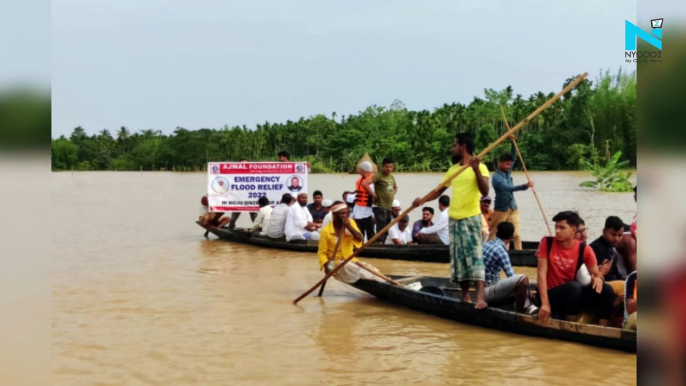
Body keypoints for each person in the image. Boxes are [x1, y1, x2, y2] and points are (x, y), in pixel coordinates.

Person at [412, 132, 490, 309]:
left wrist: (476, 169)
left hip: (470, 217)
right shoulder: (453, 170)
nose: (452, 148)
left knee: (475, 258)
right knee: (459, 259)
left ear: (463, 146)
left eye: (454, 145)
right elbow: (439, 191)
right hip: (454, 219)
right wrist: (421, 200)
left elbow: (485, 191)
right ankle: (465, 296)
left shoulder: (481, 167)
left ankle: (480, 298)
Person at [536, 211, 614, 326]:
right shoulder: (546, 243)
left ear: (573, 229)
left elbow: (596, 275)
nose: (557, 231)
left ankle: (603, 327)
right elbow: (541, 274)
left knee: (607, 289)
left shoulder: (585, 249)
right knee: (574, 286)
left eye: (562, 228)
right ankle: (571, 327)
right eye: (556, 227)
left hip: (571, 296)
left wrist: (599, 279)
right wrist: (545, 304)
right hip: (551, 294)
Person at [318, 203, 384, 283]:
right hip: (336, 263)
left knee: (372, 270)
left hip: (350, 259)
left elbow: (360, 238)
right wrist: (326, 266)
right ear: (334, 214)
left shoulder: (351, 222)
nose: (345, 215)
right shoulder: (326, 231)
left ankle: (383, 281)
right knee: (356, 270)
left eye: (346, 213)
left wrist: (349, 227)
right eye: (342, 213)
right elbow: (322, 252)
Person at [488, 137, 533, 250]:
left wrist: (513, 142)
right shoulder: (496, 178)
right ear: (501, 163)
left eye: (510, 165)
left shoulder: (507, 172)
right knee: (493, 234)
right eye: (507, 164)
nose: (509, 167)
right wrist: (524, 186)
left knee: (516, 235)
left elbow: (514, 157)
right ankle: (487, 251)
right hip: (500, 210)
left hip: (513, 208)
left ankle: (520, 257)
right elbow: (508, 188)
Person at [483, 222, 538, 314]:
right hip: (488, 291)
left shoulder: (486, 245)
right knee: (523, 279)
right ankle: (524, 310)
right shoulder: (500, 250)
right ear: (512, 237)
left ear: (497, 234)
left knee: (519, 283)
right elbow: (512, 276)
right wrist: (528, 292)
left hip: (481, 290)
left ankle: (527, 306)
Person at [589, 216, 628, 304]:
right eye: (613, 234)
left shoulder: (610, 247)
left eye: (620, 235)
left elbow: (615, 272)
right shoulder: (597, 248)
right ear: (604, 231)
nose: (617, 239)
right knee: (627, 287)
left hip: (611, 282)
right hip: (600, 285)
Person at [363, 157, 397, 243]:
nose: (389, 169)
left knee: (386, 228)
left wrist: (393, 193)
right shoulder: (379, 175)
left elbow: (396, 187)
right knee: (381, 229)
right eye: (387, 167)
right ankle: (379, 244)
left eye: (390, 167)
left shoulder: (391, 177)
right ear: (382, 167)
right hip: (380, 207)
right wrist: (373, 194)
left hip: (388, 208)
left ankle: (383, 243)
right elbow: (365, 184)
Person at [227, 159, 258, 229]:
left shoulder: (253, 174)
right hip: (239, 199)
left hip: (250, 198)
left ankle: (256, 229)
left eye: (246, 165)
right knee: (234, 217)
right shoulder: (235, 175)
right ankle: (231, 227)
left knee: (254, 216)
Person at [353, 161, 376, 241]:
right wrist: (354, 213)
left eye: (360, 169)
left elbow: (374, 198)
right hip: (359, 212)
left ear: (364, 170)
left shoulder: (372, 181)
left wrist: (374, 214)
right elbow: (357, 198)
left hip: (369, 212)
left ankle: (372, 249)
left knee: (370, 233)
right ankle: (359, 249)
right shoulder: (359, 181)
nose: (359, 171)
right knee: (359, 233)